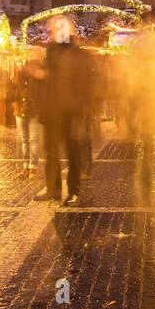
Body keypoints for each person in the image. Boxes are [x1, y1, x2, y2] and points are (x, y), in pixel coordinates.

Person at [37, 15, 93, 205]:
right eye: (54, 28)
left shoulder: (79, 55)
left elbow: (86, 84)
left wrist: (83, 108)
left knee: (72, 152)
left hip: (72, 111)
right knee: (50, 151)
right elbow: (47, 81)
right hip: (52, 110)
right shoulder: (50, 52)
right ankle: (53, 189)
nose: (55, 32)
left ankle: (73, 190)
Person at [14, 47, 45, 175]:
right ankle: (28, 166)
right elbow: (14, 88)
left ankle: (32, 166)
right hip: (22, 107)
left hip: (32, 108)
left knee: (31, 139)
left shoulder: (41, 74)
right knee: (26, 139)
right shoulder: (21, 71)